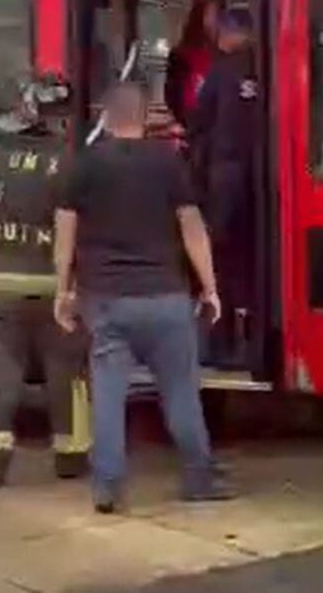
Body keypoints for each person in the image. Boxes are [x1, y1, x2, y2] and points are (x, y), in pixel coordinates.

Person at [54, 81, 234, 513]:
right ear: (144, 117)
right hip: (166, 298)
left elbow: (65, 233)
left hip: (107, 299)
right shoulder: (169, 163)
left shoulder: (84, 165)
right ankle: (198, 478)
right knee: (180, 392)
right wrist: (209, 287)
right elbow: (192, 228)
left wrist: (63, 290)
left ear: (106, 116)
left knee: (110, 393)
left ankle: (109, 487)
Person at [0, 72, 89, 489]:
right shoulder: (70, 164)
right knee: (67, 372)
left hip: (0, 292)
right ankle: (71, 454)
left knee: (1, 371)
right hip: (57, 293)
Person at [187, 5, 263, 366]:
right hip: (260, 179)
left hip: (225, 178)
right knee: (252, 259)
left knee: (219, 259)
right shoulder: (267, 67)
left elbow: (198, 119)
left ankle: (219, 343)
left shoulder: (221, 71)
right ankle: (252, 339)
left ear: (232, 34)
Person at [165, 0, 223, 128]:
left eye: (219, 15)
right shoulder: (181, 54)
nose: (215, 21)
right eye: (212, 14)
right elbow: (172, 93)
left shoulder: (225, 52)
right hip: (193, 122)